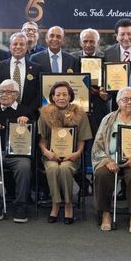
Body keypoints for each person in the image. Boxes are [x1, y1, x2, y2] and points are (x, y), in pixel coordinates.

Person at [90, 86, 131, 233]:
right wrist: (108, 161)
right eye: (125, 99)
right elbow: (97, 145)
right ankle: (105, 213)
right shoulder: (108, 119)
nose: (129, 102)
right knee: (102, 174)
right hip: (110, 160)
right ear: (118, 102)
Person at [38, 81, 92, 225]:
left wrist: (78, 153)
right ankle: (55, 204)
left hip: (72, 156)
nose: (61, 97)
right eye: (58, 95)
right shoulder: (45, 113)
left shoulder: (79, 113)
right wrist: (46, 152)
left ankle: (68, 204)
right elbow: (42, 140)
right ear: (52, 97)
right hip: (51, 156)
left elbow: (82, 139)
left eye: (64, 94)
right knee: (53, 168)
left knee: (65, 168)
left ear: (70, 96)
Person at [0, 79, 33, 222]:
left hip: (18, 153)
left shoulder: (25, 111)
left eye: (8, 92)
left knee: (24, 167)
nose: (3, 95)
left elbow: (35, 133)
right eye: (1, 92)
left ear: (16, 94)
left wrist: (27, 122)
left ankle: (21, 205)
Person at [0, 32, 42, 120]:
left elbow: (39, 94)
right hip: (2, 114)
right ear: (10, 47)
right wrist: (2, 107)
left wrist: (28, 112)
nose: (18, 47)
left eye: (22, 44)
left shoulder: (36, 68)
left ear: (26, 47)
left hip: (27, 116)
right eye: (15, 44)